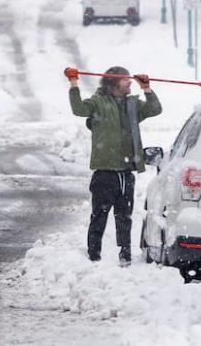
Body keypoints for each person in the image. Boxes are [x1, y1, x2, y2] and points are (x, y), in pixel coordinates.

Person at [65, 65, 162, 264]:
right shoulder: (99, 103)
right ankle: (93, 255)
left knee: (124, 216)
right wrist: (74, 83)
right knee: (99, 215)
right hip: (105, 172)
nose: (129, 82)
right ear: (113, 83)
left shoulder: (133, 105)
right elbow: (78, 109)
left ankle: (125, 254)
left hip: (127, 172)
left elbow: (155, 109)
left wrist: (146, 88)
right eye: (125, 79)